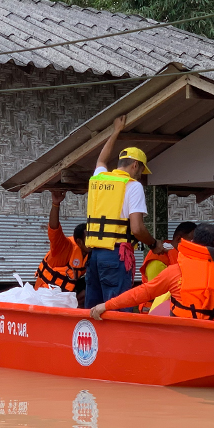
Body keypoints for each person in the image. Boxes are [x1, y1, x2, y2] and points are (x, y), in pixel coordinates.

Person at [84, 115, 164, 307]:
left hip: (94, 255)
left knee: (93, 309)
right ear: (136, 165)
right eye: (141, 171)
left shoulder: (100, 178)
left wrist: (116, 131)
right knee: (117, 308)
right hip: (116, 256)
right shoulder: (132, 186)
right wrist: (154, 244)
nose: (141, 176)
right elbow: (137, 229)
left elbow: (101, 160)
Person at [90, 223, 214, 320]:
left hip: (183, 334)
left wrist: (107, 305)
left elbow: (142, 292)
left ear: (192, 242)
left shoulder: (176, 272)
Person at [34, 189, 89, 303]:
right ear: (79, 242)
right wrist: (56, 204)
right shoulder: (64, 247)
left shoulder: (91, 252)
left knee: (93, 285)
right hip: (46, 294)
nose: (93, 242)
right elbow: (54, 229)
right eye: (88, 239)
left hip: (66, 293)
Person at [137, 221, 196, 313]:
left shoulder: (181, 256)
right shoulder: (157, 261)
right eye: (192, 241)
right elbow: (157, 294)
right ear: (179, 239)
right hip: (154, 311)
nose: (195, 246)